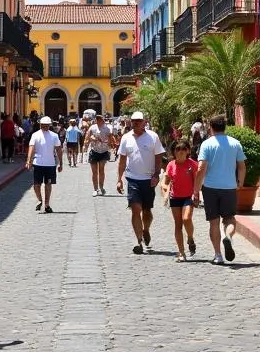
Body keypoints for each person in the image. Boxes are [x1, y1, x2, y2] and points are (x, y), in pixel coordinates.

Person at [194, 114, 246, 265]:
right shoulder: (235, 143)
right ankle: (228, 236)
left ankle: (218, 255)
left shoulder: (207, 144)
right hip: (229, 187)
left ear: (211, 127)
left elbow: (201, 168)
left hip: (210, 187)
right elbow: (242, 166)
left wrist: (196, 190)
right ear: (225, 127)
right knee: (229, 219)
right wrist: (240, 183)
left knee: (214, 222)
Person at [116, 111, 165, 254]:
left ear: (144, 122)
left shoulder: (153, 137)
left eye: (139, 120)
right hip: (132, 179)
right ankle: (138, 241)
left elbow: (158, 157)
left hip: (148, 180)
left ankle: (146, 229)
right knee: (135, 209)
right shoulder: (126, 138)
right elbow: (122, 160)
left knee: (147, 211)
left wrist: (156, 174)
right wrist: (119, 179)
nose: (136, 123)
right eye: (133, 120)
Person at [162, 138, 198, 261]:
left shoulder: (192, 164)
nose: (181, 151)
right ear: (174, 152)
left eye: (184, 149)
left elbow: (197, 181)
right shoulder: (171, 165)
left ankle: (190, 237)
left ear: (188, 150)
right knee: (178, 224)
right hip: (175, 197)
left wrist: (197, 194)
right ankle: (181, 252)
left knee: (186, 219)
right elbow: (165, 182)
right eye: (178, 149)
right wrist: (166, 191)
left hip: (188, 197)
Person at [25, 115, 63, 212]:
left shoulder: (54, 136)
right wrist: (29, 161)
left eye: (47, 125)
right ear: (40, 125)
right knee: (36, 184)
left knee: (48, 184)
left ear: (49, 125)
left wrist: (60, 163)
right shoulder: (35, 135)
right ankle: (39, 200)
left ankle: (47, 204)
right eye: (43, 125)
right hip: (38, 163)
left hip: (50, 164)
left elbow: (58, 149)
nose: (45, 126)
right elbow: (31, 148)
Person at [85, 113, 114, 196]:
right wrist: (92, 138)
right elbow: (87, 137)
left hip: (104, 151)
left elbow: (110, 140)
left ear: (102, 120)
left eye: (99, 119)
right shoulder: (92, 127)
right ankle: (95, 189)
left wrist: (106, 142)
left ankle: (101, 187)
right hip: (94, 151)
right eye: (97, 119)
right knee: (94, 172)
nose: (98, 120)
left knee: (101, 170)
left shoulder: (107, 129)